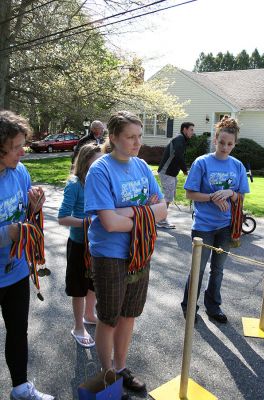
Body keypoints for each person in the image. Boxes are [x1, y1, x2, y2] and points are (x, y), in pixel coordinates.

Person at [84, 111, 167, 392]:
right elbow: (108, 222)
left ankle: (121, 368)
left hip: (139, 253)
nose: (137, 143)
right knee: (108, 318)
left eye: (139, 136)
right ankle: (108, 376)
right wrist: (144, 214)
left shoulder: (142, 167)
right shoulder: (101, 170)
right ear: (114, 138)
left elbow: (163, 210)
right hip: (110, 256)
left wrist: (128, 211)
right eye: (130, 137)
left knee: (129, 314)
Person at [0, 110, 54, 400]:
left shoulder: (20, 171)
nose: (24, 150)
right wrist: (8, 233)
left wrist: (34, 206)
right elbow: (12, 229)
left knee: (18, 332)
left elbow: (26, 217)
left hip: (17, 270)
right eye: (17, 145)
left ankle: (21, 388)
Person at [181, 116, 249, 323]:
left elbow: (241, 196)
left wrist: (230, 192)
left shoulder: (237, 166)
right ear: (215, 140)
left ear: (234, 144)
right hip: (203, 227)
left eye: (230, 144)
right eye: (221, 142)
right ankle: (189, 306)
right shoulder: (202, 162)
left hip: (226, 227)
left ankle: (214, 306)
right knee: (198, 269)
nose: (225, 147)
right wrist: (211, 196)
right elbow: (190, 194)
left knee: (218, 270)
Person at [58, 144, 102, 348]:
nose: (102, 165)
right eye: (97, 161)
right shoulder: (75, 184)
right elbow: (62, 218)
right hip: (78, 244)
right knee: (78, 288)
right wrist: (86, 222)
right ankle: (77, 327)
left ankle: (88, 315)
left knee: (93, 282)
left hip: (97, 242)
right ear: (86, 162)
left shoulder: (99, 182)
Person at [157, 122, 194, 229]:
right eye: (191, 130)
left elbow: (178, 156)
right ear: (185, 129)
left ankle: (158, 217)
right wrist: (185, 170)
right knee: (167, 196)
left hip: (171, 172)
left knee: (168, 195)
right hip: (167, 171)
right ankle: (160, 220)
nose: (192, 132)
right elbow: (178, 156)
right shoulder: (179, 139)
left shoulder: (181, 139)